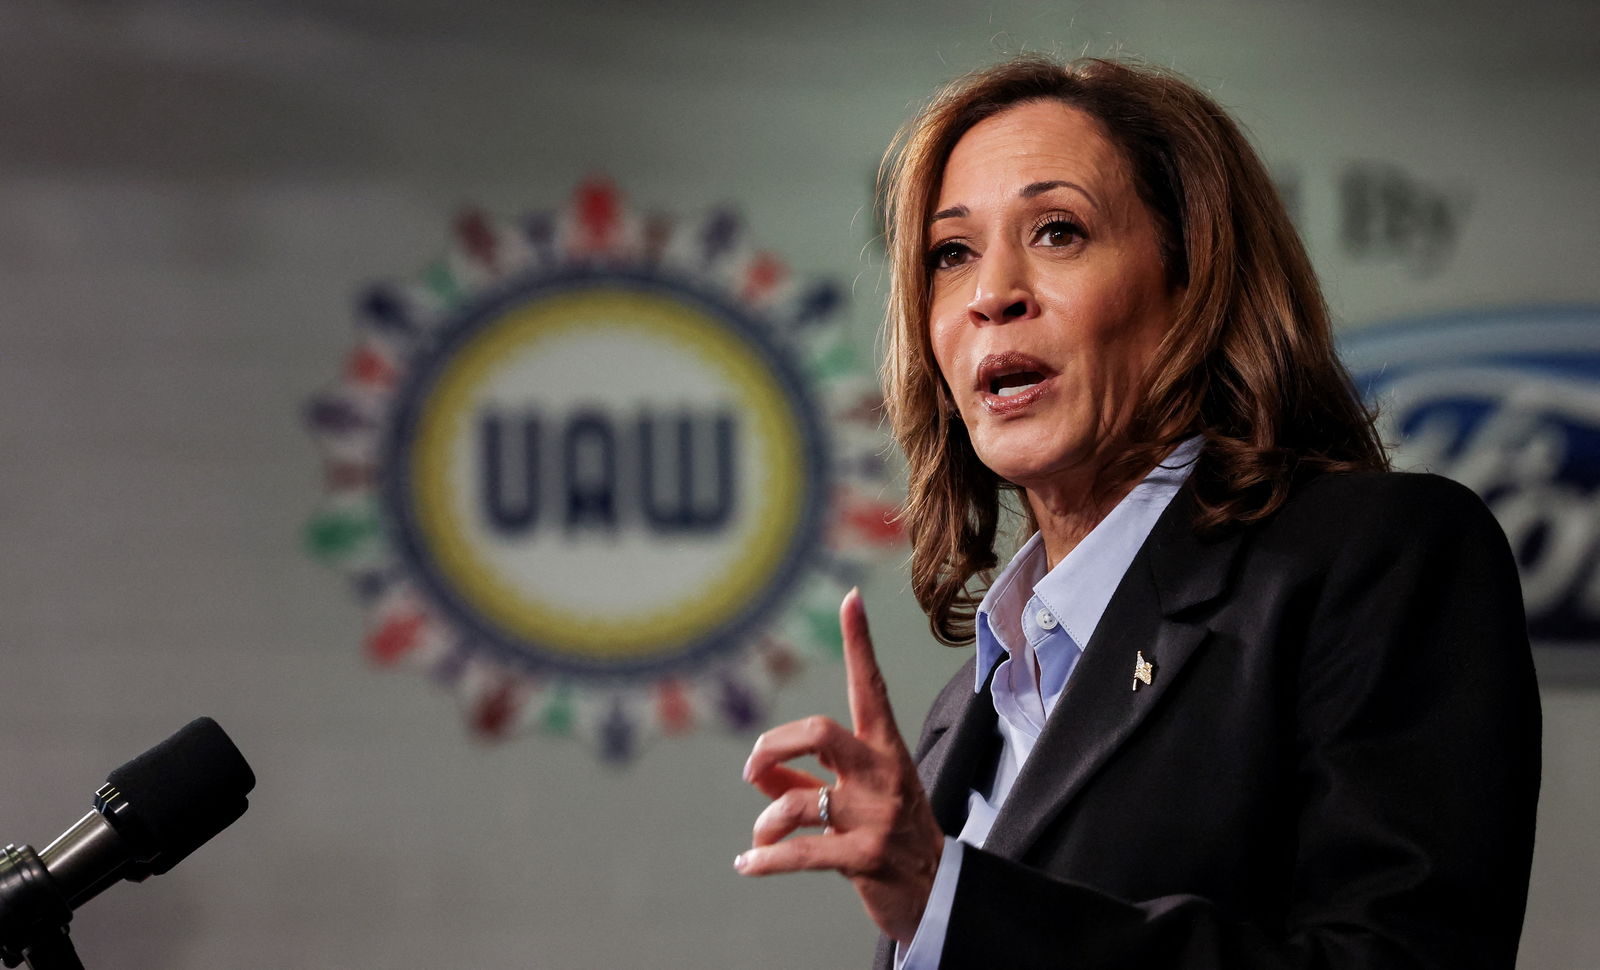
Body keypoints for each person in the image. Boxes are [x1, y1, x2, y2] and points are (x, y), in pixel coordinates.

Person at [735, 55, 1541, 969]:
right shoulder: (964, 713)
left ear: (1194, 282)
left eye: (1058, 232)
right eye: (950, 253)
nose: (992, 294)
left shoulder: (1377, 563)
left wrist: (952, 901)